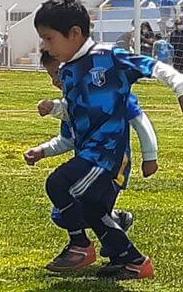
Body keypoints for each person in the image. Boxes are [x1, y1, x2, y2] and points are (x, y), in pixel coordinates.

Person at [32, 0, 183, 280]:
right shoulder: (69, 71)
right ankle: (131, 260)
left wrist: (182, 88)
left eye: (49, 39)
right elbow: (77, 110)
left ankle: (80, 245)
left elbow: (154, 67)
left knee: (59, 185)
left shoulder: (110, 56)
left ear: (74, 33)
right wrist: (56, 109)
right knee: (91, 208)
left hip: (108, 154)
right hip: (87, 153)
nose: (45, 46)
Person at [24, 50, 159, 271]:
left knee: (64, 191)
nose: (57, 80)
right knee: (73, 212)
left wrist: (150, 157)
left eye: (59, 72)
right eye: (52, 76)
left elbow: (140, 122)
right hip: (91, 164)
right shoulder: (73, 102)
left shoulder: (111, 92)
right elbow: (68, 140)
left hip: (111, 163)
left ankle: (81, 245)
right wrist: (42, 151)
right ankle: (128, 256)